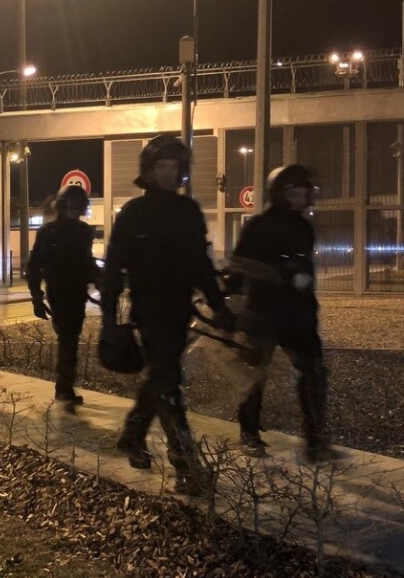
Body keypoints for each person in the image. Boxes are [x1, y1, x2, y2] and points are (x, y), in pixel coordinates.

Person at [101, 134, 231, 496]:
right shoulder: (133, 213)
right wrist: (109, 320)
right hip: (148, 310)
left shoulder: (189, 212)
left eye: (174, 167)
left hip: (179, 310)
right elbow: (113, 268)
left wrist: (219, 306)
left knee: (161, 377)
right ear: (149, 170)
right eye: (162, 166)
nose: (168, 173)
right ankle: (186, 466)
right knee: (169, 383)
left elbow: (201, 265)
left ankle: (132, 435)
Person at [229, 164, 346, 464]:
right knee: (255, 374)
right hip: (263, 311)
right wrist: (279, 272)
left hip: (297, 313)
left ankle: (315, 441)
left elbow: (304, 267)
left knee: (314, 372)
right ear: (279, 194)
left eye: (302, 192)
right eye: (292, 192)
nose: (298, 198)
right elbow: (239, 263)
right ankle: (249, 434)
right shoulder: (259, 225)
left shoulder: (304, 227)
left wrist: (308, 303)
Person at [28, 183, 99, 412]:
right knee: (68, 339)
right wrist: (37, 297)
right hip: (58, 292)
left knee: (71, 340)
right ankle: (64, 388)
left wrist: (102, 282)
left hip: (77, 292)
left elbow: (87, 261)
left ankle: (64, 387)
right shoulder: (49, 232)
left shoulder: (84, 231)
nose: (76, 211)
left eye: (79, 207)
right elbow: (35, 266)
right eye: (72, 206)